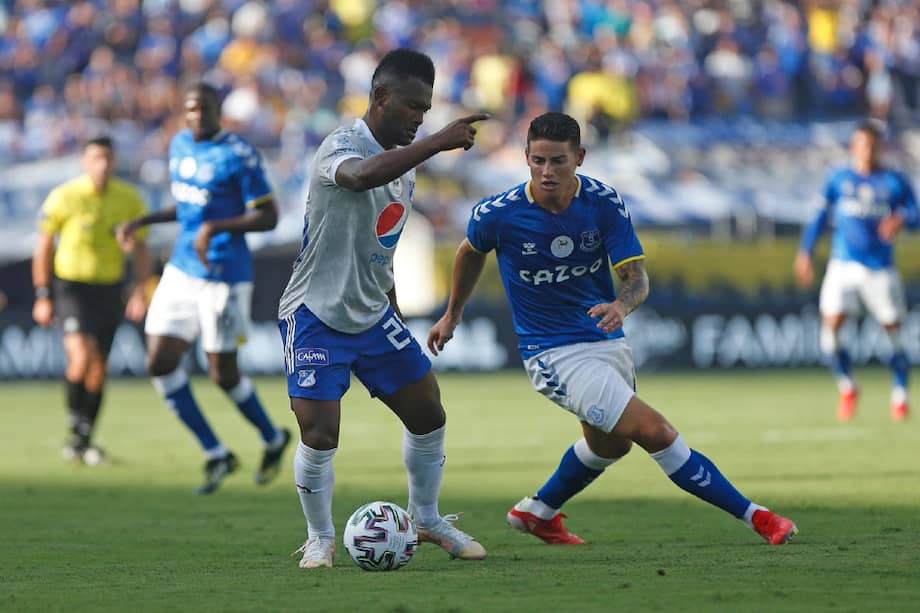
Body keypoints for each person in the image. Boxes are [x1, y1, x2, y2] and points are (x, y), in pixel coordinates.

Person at [428, 112, 798, 547]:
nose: (547, 172)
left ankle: (537, 512)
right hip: (551, 353)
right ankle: (759, 518)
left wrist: (622, 306)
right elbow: (471, 250)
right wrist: (454, 313)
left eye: (559, 161)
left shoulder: (604, 203)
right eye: (538, 160)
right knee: (655, 433)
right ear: (526, 157)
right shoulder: (500, 213)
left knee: (610, 446)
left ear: (580, 157)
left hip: (605, 341)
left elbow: (636, 278)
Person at [277, 48, 489, 568]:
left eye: (428, 109)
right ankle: (321, 538)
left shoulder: (405, 164)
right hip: (316, 314)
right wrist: (437, 143)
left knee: (428, 414)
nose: (421, 118)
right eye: (413, 106)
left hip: (373, 314)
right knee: (321, 433)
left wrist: (391, 309)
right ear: (380, 98)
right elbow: (357, 177)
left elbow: (381, 244)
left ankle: (426, 518)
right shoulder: (341, 145)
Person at [118, 83, 291, 495]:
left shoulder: (239, 154)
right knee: (159, 361)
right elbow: (189, 204)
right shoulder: (179, 145)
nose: (196, 117)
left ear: (218, 112)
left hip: (225, 275)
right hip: (181, 267)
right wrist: (145, 221)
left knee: (222, 374)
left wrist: (216, 227)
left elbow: (268, 217)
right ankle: (216, 452)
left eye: (205, 110)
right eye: (190, 110)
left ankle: (272, 437)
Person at [32, 136, 152, 465]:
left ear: (114, 162)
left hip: (109, 288)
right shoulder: (65, 196)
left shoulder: (129, 199)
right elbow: (44, 247)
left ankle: (82, 441)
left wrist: (140, 290)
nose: (102, 164)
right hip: (72, 286)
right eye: (96, 157)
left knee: (99, 367)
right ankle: (77, 430)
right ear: (85, 162)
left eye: (107, 158)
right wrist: (43, 295)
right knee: (80, 357)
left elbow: (141, 249)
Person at [794, 120, 918, 422]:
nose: (865, 150)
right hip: (843, 264)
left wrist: (900, 218)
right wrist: (806, 252)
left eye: (871, 145)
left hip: (880, 268)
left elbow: (915, 214)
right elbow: (820, 217)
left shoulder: (894, 181)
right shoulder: (839, 178)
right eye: (860, 144)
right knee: (831, 327)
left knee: (893, 331)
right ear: (853, 146)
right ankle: (848, 386)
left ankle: (900, 393)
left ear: (879, 147)